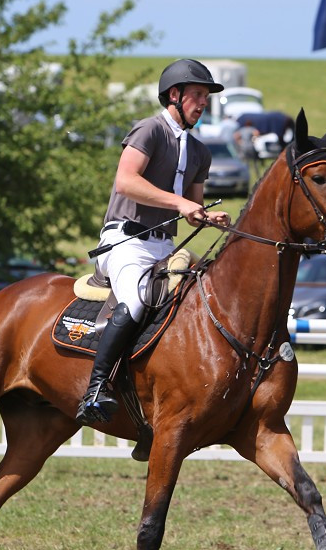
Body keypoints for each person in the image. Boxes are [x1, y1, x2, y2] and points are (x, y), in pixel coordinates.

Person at [76, 59, 231, 425]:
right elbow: (126, 182)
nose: (203, 103)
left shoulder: (200, 152)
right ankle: (96, 388)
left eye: (206, 97)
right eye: (197, 95)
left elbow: (192, 202)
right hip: (125, 241)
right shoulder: (149, 129)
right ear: (174, 95)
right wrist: (181, 203)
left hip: (165, 247)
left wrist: (208, 217)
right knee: (134, 300)